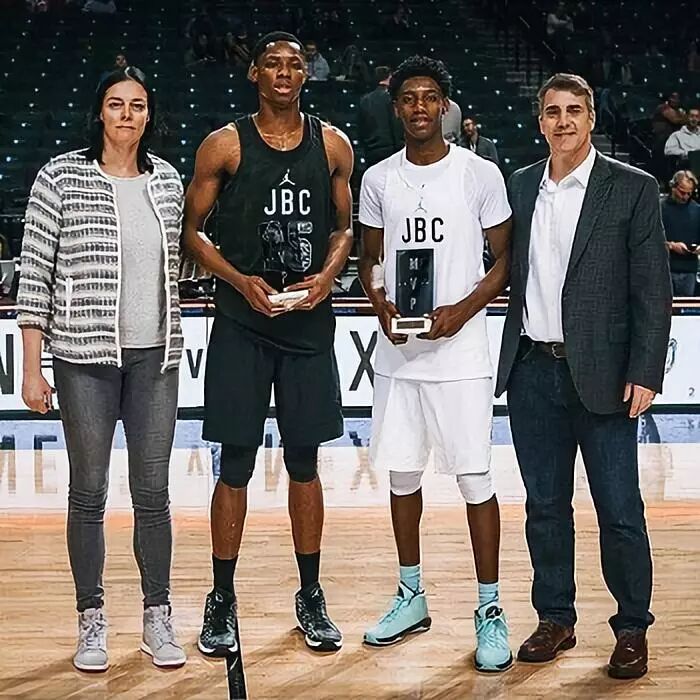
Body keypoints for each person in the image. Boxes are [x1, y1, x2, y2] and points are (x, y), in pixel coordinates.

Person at [182, 31, 354, 656]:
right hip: (242, 320)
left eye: (295, 64)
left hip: (307, 321)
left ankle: (310, 594)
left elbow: (344, 228)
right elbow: (192, 233)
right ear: (254, 73)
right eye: (273, 64)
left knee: (305, 463)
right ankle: (221, 597)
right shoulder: (224, 144)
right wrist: (238, 280)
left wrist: (327, 277)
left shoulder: (332, 144)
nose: (284, 72)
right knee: (235, 463)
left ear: (306, 74)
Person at [496, 73, 672, 679]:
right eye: (553, 111)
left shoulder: (632, 186)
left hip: (606, 374)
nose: (563, 121)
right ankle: (555, 618)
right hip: (531, 371)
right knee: (545, 508)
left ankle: (632, 627)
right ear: (540, 121)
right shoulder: (520, 186)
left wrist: (645, 369)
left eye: (574, 110)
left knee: (619, 510)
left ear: (591, 118)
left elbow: (653, 290)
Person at [16, 67, 186, 672]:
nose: (127, 114)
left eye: (137, 105)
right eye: (116, 104)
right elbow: (34, 276)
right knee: (88, 492)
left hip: (156, 358)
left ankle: (157, 615)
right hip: (82, 359)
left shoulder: (168, 181)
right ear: (99, 112)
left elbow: (180, 263)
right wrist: (31, 368)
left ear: (149, 115)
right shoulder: (59, 176)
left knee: (153, 495)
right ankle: (90, 617)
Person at [358, 55, 513, 672]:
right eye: (408, 98)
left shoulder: (479, 173)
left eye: (429, 97)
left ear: (445, 105)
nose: (419, 107)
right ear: (395, 107)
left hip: (461, 352)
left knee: (475, 479)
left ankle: (490, 609)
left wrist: (463, 309)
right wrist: (380, 306)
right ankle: (411, 595)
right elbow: (370, 261)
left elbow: (504, 262)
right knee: (402, 476)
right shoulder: (378, 178)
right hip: (401, 355)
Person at [662, 170, 700, 296]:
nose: (685, 197)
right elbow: (650, 241)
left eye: (689, 193)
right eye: (682, 192)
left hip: (689, 271)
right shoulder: (659, 209)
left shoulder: (697, 210)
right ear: (673, 187)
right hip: (665, 270)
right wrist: (671, 245)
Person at [357, 66, 404, 167]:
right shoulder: (391, 99)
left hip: (371, 151)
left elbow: (361, 127)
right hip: (390, 150)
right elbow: (395, 124)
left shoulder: (364, 100)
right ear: (389, 78)